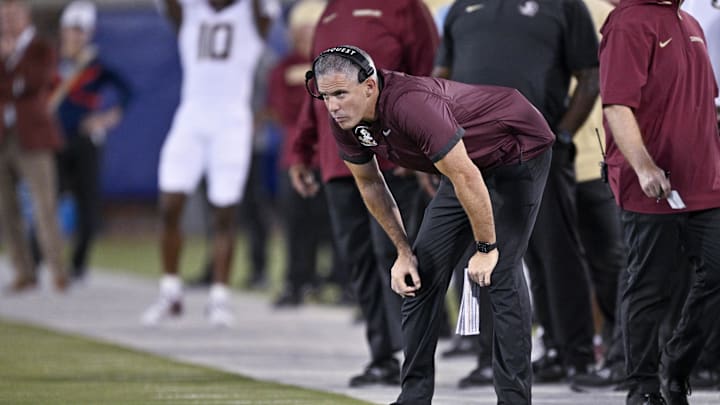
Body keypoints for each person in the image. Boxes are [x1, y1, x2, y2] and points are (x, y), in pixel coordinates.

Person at [306, 45, 554, 404]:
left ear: (370, 86)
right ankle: (414, 397)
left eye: (341, 93)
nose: (333, 106)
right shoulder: (345, 119)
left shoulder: (411, 104)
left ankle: (514, 400)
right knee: (418, 277)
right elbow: (371, 183)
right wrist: (403, 252)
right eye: (326, 96)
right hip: (465, 166)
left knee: (500, 271)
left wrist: (485, 248)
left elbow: (467, 176)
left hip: (515, 150)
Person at [434, 0, 602, 385]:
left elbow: (590, 75)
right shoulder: (462, 7)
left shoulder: (564, 5)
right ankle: (489, 357)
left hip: (536, 148)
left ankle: (573, 354)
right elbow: (441, 75)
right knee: (482, 252)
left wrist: (560, 134)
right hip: (469, 150)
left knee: (555, 251)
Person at [288, 0, 439, 387]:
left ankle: (415, 359)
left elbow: (429, 76)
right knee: (358, 258)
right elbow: (316, 90)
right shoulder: (332, 10)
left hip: (392, 156)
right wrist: (301, 149)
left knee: (395, 254)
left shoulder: (406, 7)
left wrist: (420, 144)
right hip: (338, 160)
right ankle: (381, 356)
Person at [599, 0, 720, 404]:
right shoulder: (630, 20)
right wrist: (644, 167)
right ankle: (643, 387)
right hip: (655, 183)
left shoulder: (689, 22)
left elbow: (702, 108)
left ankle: (676, 368)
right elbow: (617, 105)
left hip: (705, 181)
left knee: (716, 273)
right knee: (650, 287)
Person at [141, 0, 278, 327]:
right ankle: (170, 290)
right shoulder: (190, 11)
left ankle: (219, 297)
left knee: (225, 212)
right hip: (191, 118)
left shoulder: (252, 14)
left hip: (231, 122)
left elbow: (265, 16)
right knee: (169, 204)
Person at [47, 0, 132, 282]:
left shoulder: (95, 66)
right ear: (63, 31)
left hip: (85, 142)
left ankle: (79, 264)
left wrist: (107, 118)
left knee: (87, 204)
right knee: (47, 201)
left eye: (81, 31)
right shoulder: (51, 64)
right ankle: (38, 259)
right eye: (72, 29)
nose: (76, 36)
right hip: (55, 141)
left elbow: (128, 92)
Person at [268, 0, 335, 307]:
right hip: (295, 156)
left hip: (331, 155)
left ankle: (341, 282)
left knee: (334, 223)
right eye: (300, 31)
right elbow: (285, 110)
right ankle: (297, 281)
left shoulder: (335, 65)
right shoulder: (282, 67)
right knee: (296, 223)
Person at [0, 0, 67, 292]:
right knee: (6, 209)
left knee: (44, 206)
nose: (7, 22)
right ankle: (23, 270)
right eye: (3, 16)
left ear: (25, 16)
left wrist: (11, 59)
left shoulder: (40, 48)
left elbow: (35, 81)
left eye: (12, 15)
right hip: (4, 136)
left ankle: (57, 270)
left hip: (34, 136)